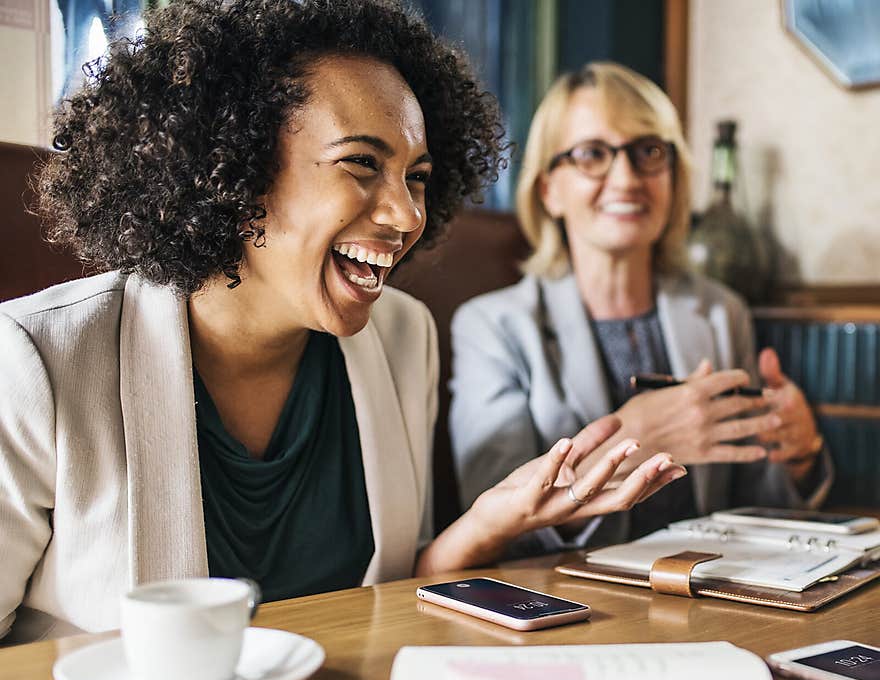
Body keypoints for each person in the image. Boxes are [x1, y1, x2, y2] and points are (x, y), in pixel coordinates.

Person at [0, 3, 683, 643]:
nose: (408, 214)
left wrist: (485, 524)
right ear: (233, 171)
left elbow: (383, 592)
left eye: (417, 177)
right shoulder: (37, 360)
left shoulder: (403, 337)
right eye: (361, 163)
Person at [449, 61, 831, 556]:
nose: (626, 177)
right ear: (549, 190)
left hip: (707, 595)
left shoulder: (721, 313)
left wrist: (800, 455)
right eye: (592, 154)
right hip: (567, 609)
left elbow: (754, 506)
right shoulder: (492, 327)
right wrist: (635, 440)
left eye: (648, 151)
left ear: (673, 177)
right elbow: (495, 520)